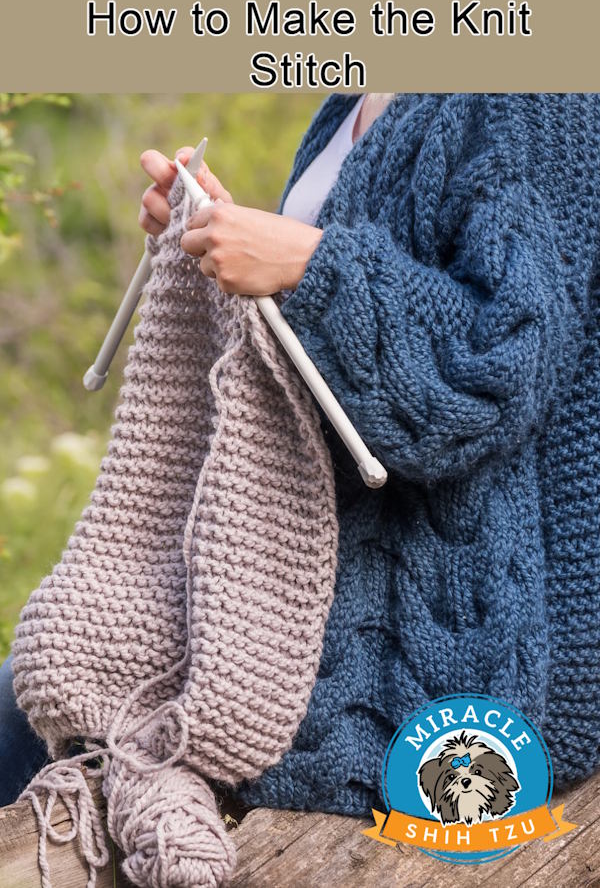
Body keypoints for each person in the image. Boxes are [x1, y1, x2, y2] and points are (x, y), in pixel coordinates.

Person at [1, 92, 600, 816]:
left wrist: (306, 264)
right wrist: (225, 235)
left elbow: (497, 370)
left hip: (430, 647)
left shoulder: (538, 89)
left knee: (32, 712)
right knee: (51, 671)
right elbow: (334, 352)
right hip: (289, 582)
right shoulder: (353, 96)